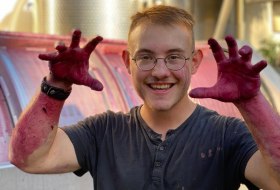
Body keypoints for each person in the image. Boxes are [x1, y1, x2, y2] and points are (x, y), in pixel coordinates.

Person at [8, 5, 280, 190]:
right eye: (146, 57)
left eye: (174, 57)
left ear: (195, 61)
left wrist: (252, 101)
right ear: (128, 62)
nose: (160, 72)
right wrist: (55, 86)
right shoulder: (103, 132)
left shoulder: (228, 136)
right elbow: (28, 158)